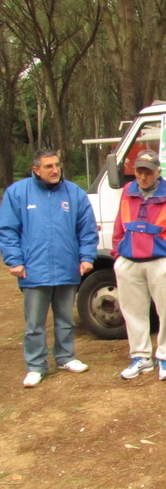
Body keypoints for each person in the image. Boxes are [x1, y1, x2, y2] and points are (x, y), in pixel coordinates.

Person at [0, 149, 98, 387]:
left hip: (67, 268)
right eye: (48, 166)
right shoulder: (18, 193)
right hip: (34, 270)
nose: (55, 170)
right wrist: (14, 260)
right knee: (34, 323)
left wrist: (86, 256)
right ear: (36, 170)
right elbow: (8, 229)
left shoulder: (74, 193)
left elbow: (86, 229)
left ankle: (65, 357)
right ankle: (35, 365)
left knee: (65, 319)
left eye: (57, 165)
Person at [111, 149, 166, 381]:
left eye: (148, 172)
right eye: (139, 171)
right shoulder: (128, 191)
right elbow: (120, 225)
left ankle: (165, 358)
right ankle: (141, 357)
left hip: (160, 262)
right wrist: (118, 253)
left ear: (158, 172)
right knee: (132, 312)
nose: (143, 177)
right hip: (129, 261)